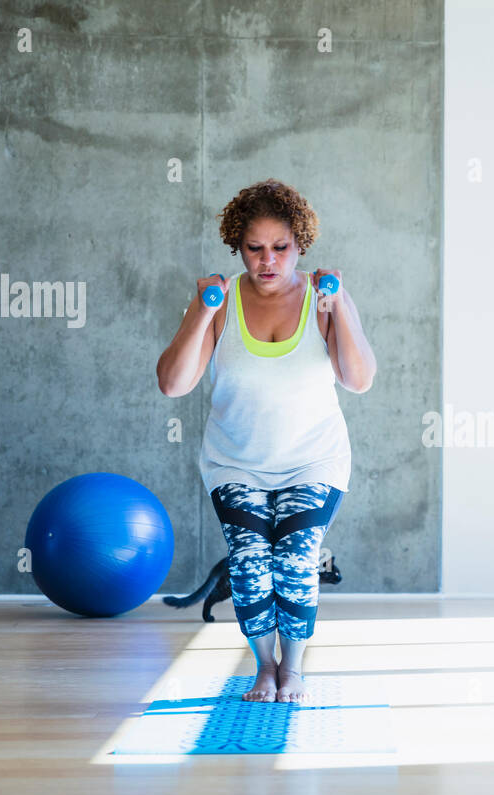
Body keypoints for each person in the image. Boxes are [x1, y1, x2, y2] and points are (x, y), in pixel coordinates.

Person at [156, 179, 376, 703]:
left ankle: (294, 669)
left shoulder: (324, 301)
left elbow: (359, 379)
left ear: (301, 245)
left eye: (281, 247)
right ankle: (264, 668)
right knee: (250, 562)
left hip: (313, 461)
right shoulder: (220, 300)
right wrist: (203, 312)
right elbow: (172, 383)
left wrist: (339, 303)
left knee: (296, 560)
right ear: (238, 246)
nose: (268, 260)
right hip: (236, 463)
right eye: (255, 248)